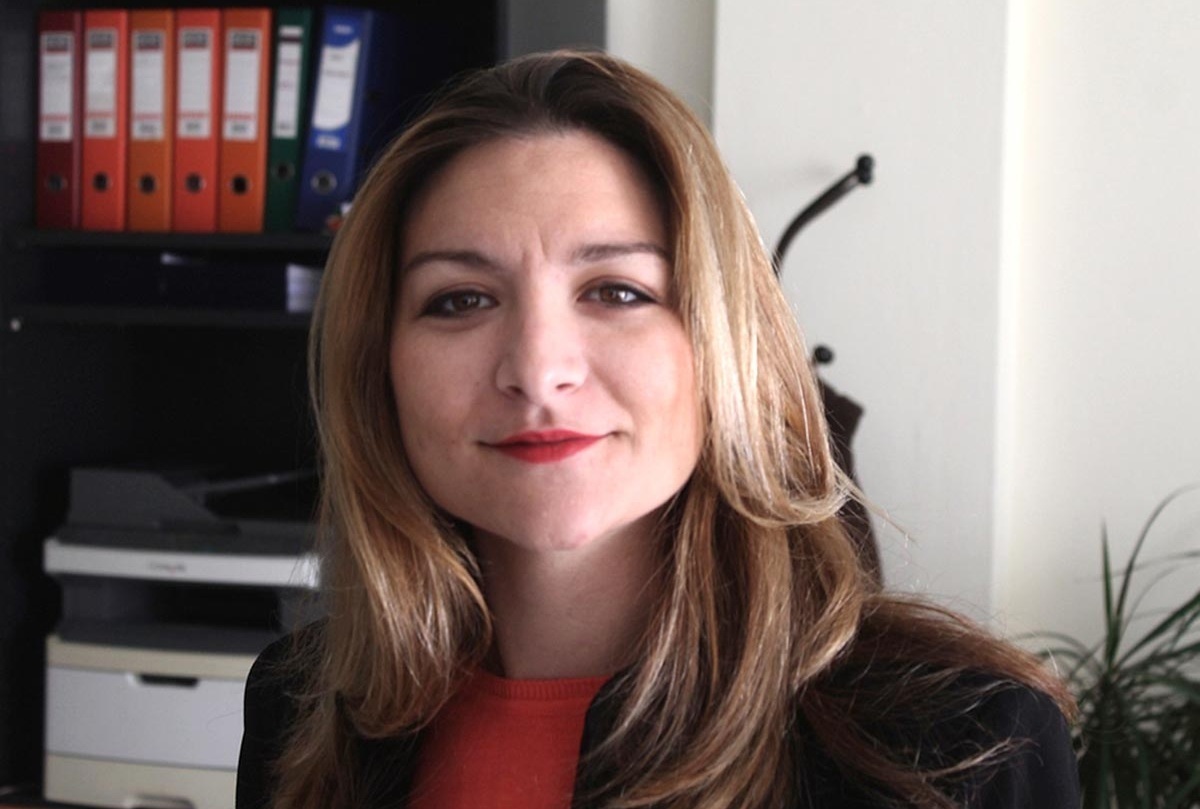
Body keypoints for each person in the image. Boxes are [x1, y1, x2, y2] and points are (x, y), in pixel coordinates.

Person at [236, 50, 1079, 809]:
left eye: (617, 291)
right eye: (461, 300)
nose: (538, 368)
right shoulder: (301, 710)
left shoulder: (964, 746)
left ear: (726, 346)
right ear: (379, 366)